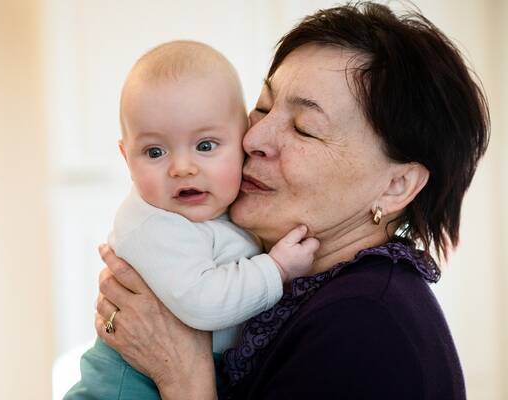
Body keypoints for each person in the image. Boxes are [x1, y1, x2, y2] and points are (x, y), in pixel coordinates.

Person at [93, 3, 490, 399]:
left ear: (396, 185)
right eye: (263, 107)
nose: (253, 139)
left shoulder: (365, 325)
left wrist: (181, 373)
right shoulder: (296, 288)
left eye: (304, 129)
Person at [65, 41, 319, 399]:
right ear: (126, 157)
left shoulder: (225, 206)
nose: (182, 168)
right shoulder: (155, 225)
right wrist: (275, 269)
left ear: (242, 138)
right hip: (125, 387)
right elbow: (204, 304)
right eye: (155, 151)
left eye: (205, 146)